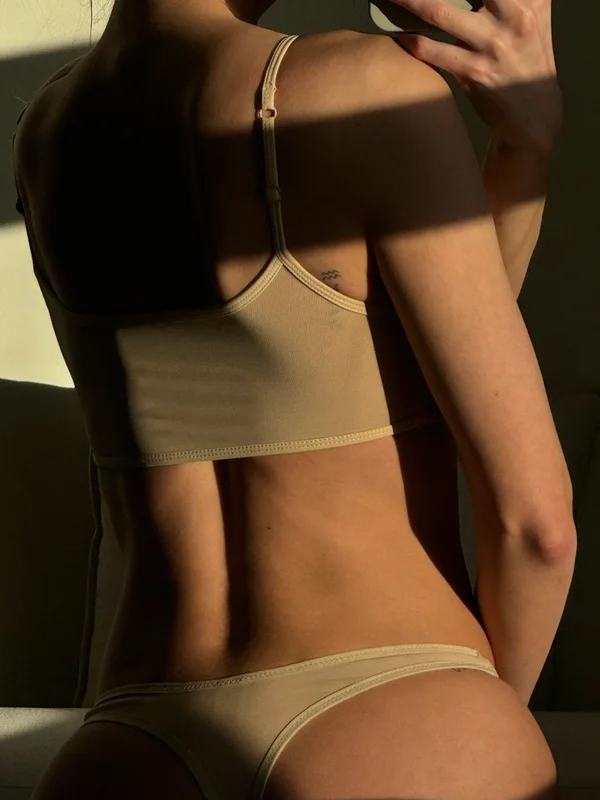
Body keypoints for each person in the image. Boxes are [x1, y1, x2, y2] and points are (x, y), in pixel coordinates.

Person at [13, 0, 576, 797]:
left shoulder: (49, 128)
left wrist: (522, 155)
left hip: (134, 742)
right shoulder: (359, 87)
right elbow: (538, 529)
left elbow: (375, 373)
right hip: (397, 716)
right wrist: (477, 711)